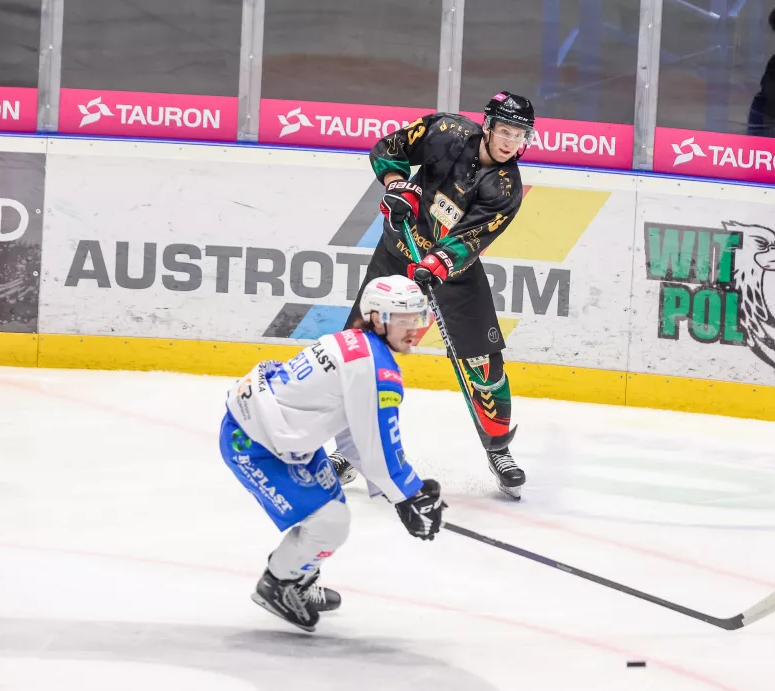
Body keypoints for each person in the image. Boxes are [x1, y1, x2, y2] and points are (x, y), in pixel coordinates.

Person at [332, 91, 536, 499]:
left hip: (453, 274)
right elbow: (389, 148)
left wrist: (437, 263)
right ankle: (350, 451)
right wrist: (397, 186)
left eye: (521, 135)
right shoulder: (445, 130)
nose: (511, 142)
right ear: (488, 125)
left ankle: (498, 449)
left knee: (484, 363)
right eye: (506, 131)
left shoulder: (505, 187)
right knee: (361, 350)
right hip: (396, 253)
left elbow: (471, 238)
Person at [218, 275, 447, 632]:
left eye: (418, 318)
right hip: (254, 443)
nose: (414, 329)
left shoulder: (353, 342)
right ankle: (279, 584)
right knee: (329, 522)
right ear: (377, 319)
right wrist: (409, 494)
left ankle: (297, 577)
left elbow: (356, 435)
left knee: (331, 515)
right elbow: (380, 447)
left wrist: (404, 493)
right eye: (404, 319)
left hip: (278, 436)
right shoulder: (376, 368)